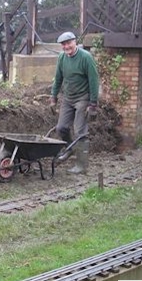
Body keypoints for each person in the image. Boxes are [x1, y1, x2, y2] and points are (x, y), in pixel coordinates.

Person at [49, 32, 100, 175]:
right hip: (68, 98)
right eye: (63, 44)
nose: (66, 46)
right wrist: (53, 97)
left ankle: (82, 165)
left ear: (75, 42)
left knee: (80, 132)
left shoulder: (86, 57)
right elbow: (58, 78)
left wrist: (93, 104)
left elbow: (94, 81)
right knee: (61, 128)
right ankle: (70, 148)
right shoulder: (62, 57)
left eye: (69, 43)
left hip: (83, 98)